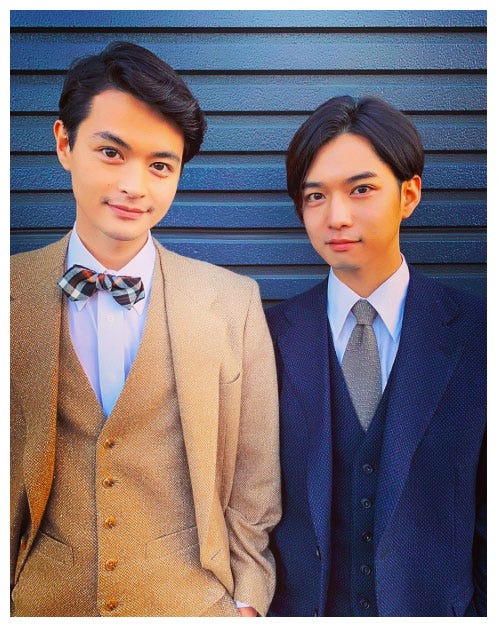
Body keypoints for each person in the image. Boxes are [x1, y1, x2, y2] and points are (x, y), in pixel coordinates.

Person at [10, 41, 280, 617]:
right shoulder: (10, 291)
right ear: (64, 143)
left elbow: (255, 478)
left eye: (160, 165)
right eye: (111, 152)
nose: (135, 185)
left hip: (193, 604)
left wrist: (248, 603)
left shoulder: (232, 301)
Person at [266, 95, 486, 617]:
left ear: (409, 194)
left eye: (361, 189)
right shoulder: (266, 336)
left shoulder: (480, 333)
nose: (337, 217)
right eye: (315, 196)